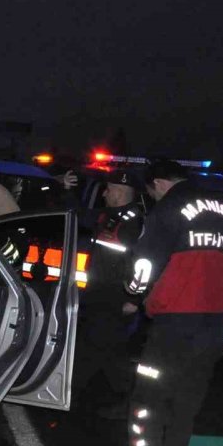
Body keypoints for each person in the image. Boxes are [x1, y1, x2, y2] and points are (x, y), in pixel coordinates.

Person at [100, 160, 223, 446]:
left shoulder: (170, 208)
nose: (151, 196)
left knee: (146, 410)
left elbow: (144, 266)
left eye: (150, 190)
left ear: (160, 183)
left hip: (173, 329)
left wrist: (133, 296)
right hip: (212, 328)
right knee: (184, 412)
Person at [67, 169, 146, 416]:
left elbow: (141, 261)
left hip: (114, 296)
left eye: (109, 189)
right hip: (99, 294)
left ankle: (125, 402)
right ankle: (71, 393)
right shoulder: (111, 215)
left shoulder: (133, 222)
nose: (104, 193)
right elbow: (80, 217)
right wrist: (68, 191)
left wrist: (133, 299)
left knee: (105, 350)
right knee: (99, 347)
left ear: (121, 191)